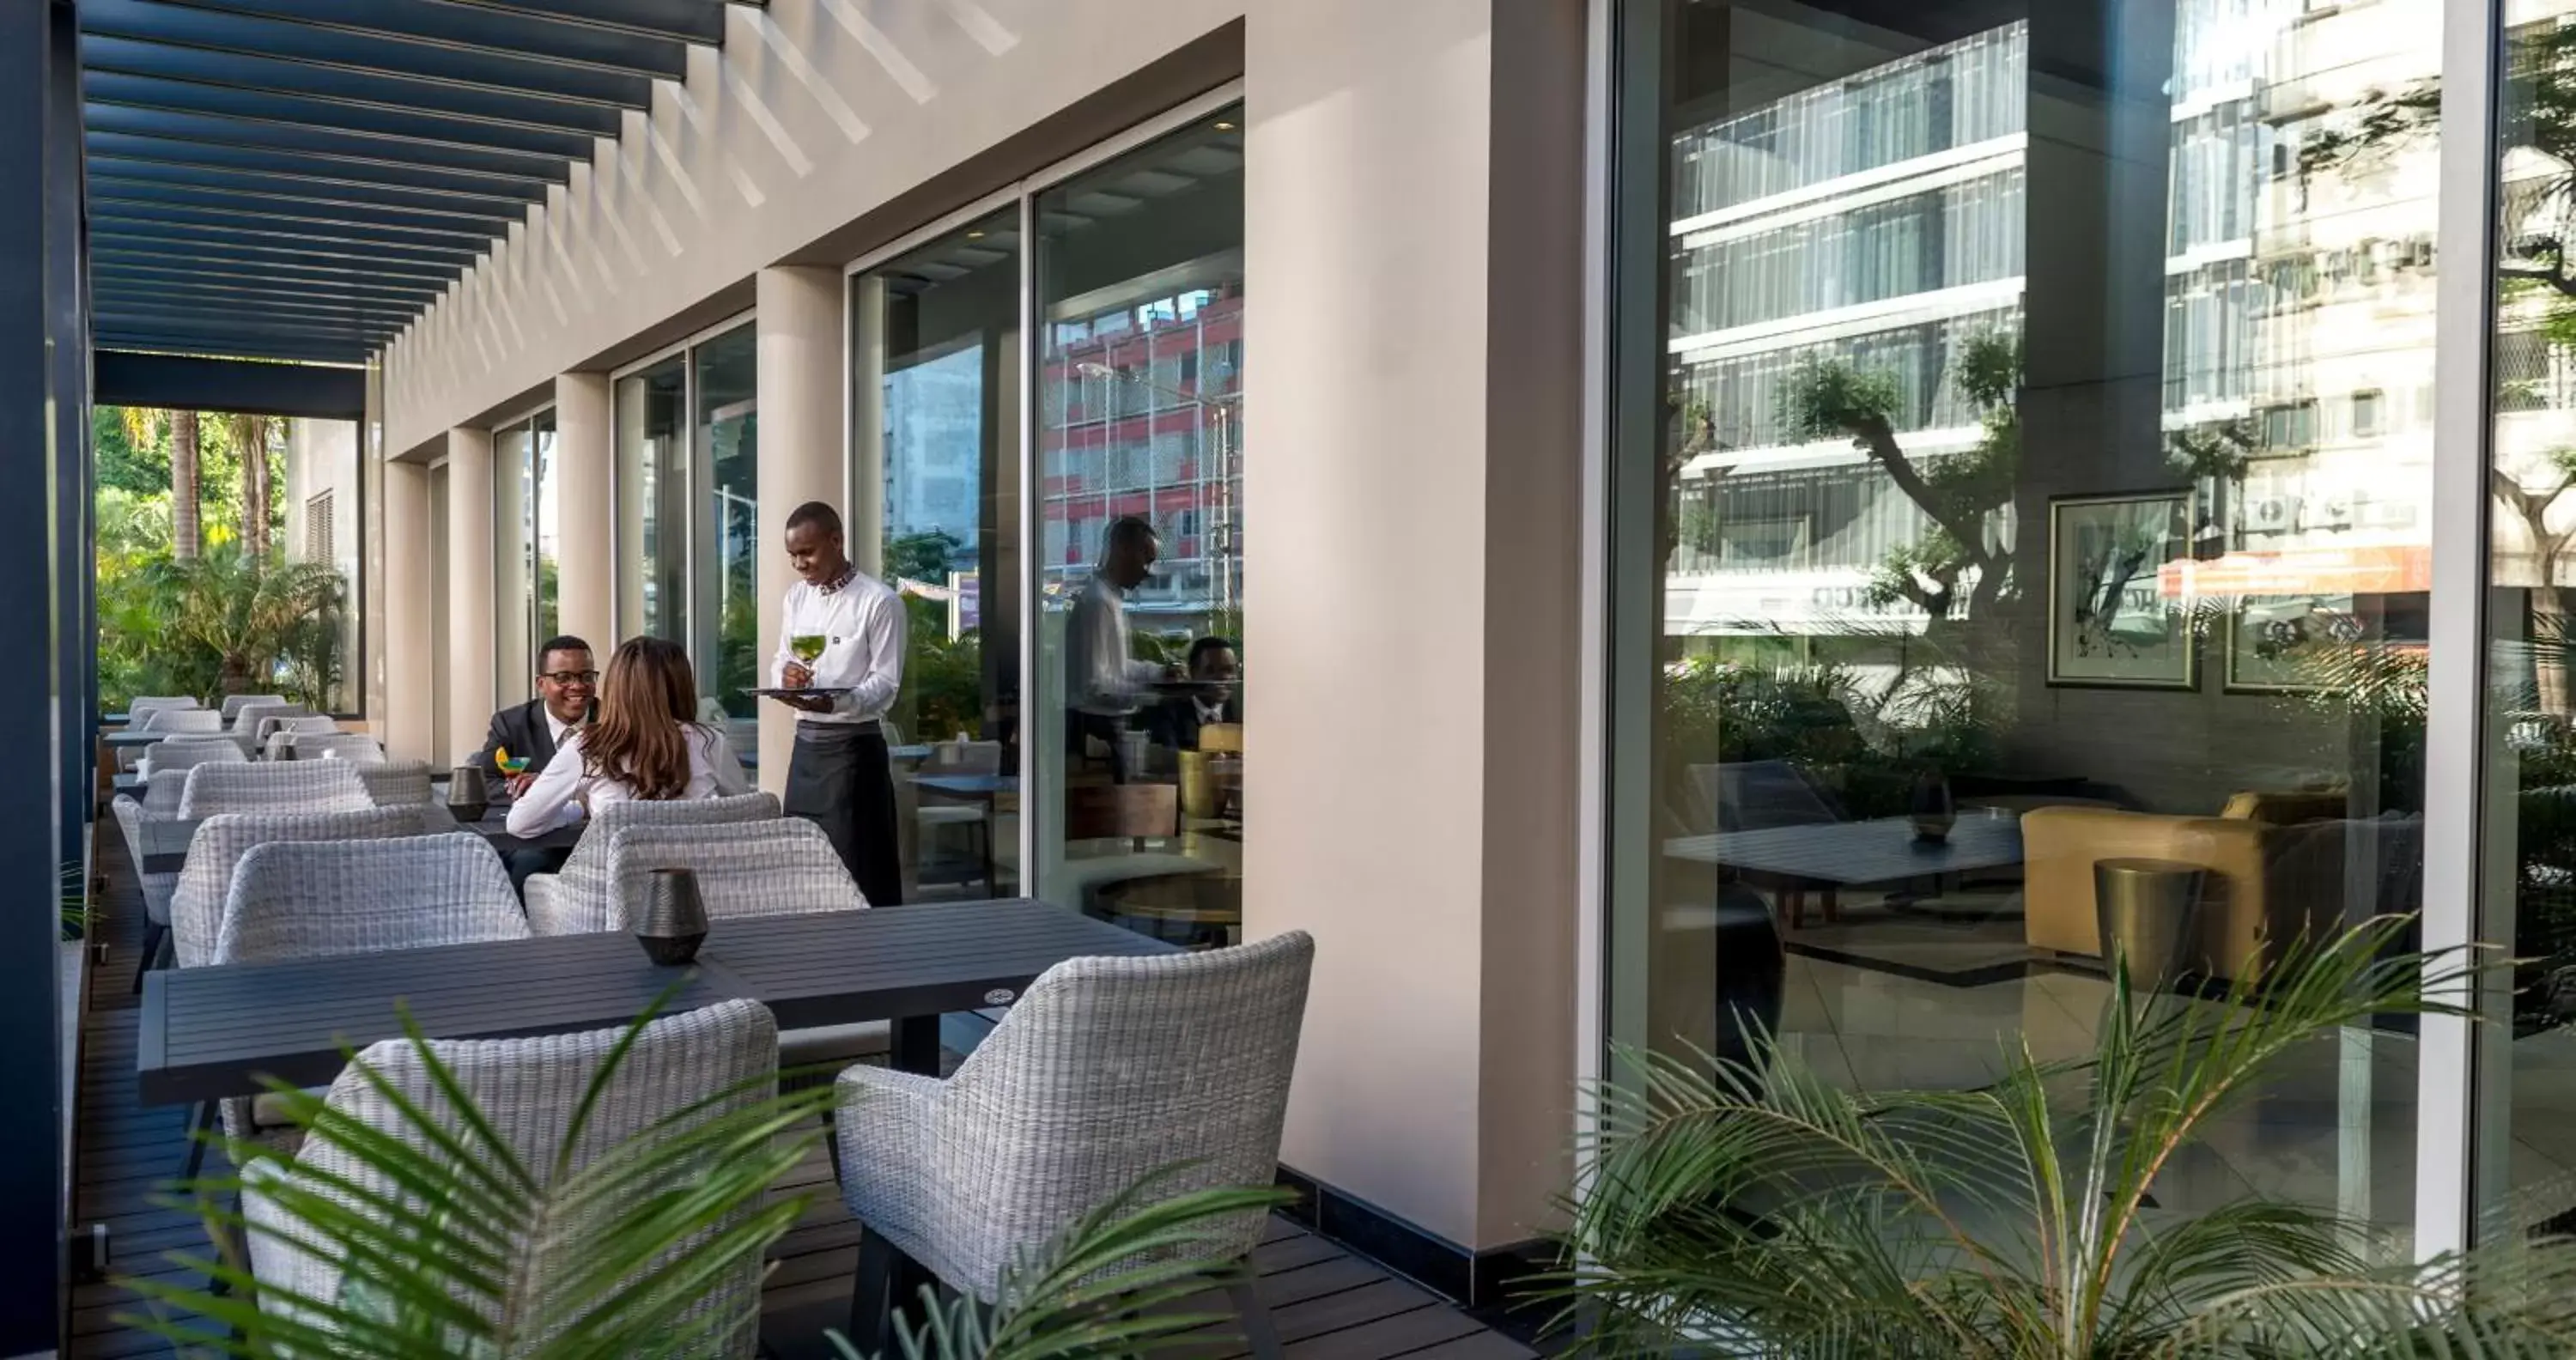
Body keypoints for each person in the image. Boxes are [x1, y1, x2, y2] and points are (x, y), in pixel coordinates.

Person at [769, 501, 907, 907]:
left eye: (807, 553)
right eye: (793, 555)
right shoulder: (796, 598)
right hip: (806, 748)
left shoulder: (879, 602)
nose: (799, 564)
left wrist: (836, 705)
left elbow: (886, 684)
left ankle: (871, 960)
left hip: (853, 752)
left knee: (858, 867)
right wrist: (786, 678)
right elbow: (783, 658)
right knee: (802, 862)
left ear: (836, 540)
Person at [505, 637, 750, 836]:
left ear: (616, 688)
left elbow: (520, 823)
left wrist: (578, 811)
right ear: (682, 686)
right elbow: (750, 814)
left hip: (614, 892)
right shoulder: (709, 742)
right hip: (696, 889)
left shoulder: (588, 747)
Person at [1066, 516, 1174, 780]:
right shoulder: (1098, 602)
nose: (1149, 571)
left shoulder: (1107, 598)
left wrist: (1160, 674)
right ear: (1123, 549)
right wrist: (1156, 693)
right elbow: (1095, 686)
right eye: (1147, 559)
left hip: (1103, 728)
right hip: (1095, 731)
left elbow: (1118, 668)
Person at [474, 634, 597, 793]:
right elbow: (484, 783)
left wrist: (548, 786)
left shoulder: (616, 720)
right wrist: (533, 791)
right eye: (563, 678)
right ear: (541, 684)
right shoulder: (511, 725)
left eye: (586, 677)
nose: (577, 686)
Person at [1147, 635, 1241, 752]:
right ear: (1192, 673)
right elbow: (1170, 761)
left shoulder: (1241, 713)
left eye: (1229, 670)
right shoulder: (1168, 713)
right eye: (1211, 670)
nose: (1223, 677)